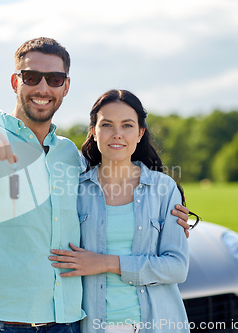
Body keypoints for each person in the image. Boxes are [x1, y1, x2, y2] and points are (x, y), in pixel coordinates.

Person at [0, 37, 190, 333]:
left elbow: (110, 200)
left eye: (54, 79)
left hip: (64, 322)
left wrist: (175, 220)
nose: (43, 88)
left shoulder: (70, 156)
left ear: (65, 86)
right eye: (31, 77)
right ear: (15, 81)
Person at [48, 90, 191, 333]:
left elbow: (177, 267)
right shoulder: (74, 190)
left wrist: (105, 263)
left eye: (127, 125)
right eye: (107, 125)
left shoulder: (163, 189)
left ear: (140, 133)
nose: (117, 134)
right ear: (93, 131)